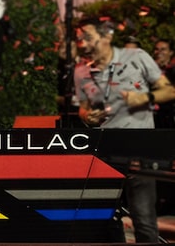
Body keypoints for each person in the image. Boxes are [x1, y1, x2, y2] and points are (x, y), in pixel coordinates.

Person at [73, 16, 175, 244]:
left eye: (87, 36)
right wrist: (87, 117)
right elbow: (83, 108)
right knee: (105, 220)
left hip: (141, 148)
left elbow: (168, 92)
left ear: (106, 37)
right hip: (107, 149)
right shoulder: (81, 71)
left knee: (144, 220)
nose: (83, 43)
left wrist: (144, 97)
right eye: (80, 38)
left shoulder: (137, 57)